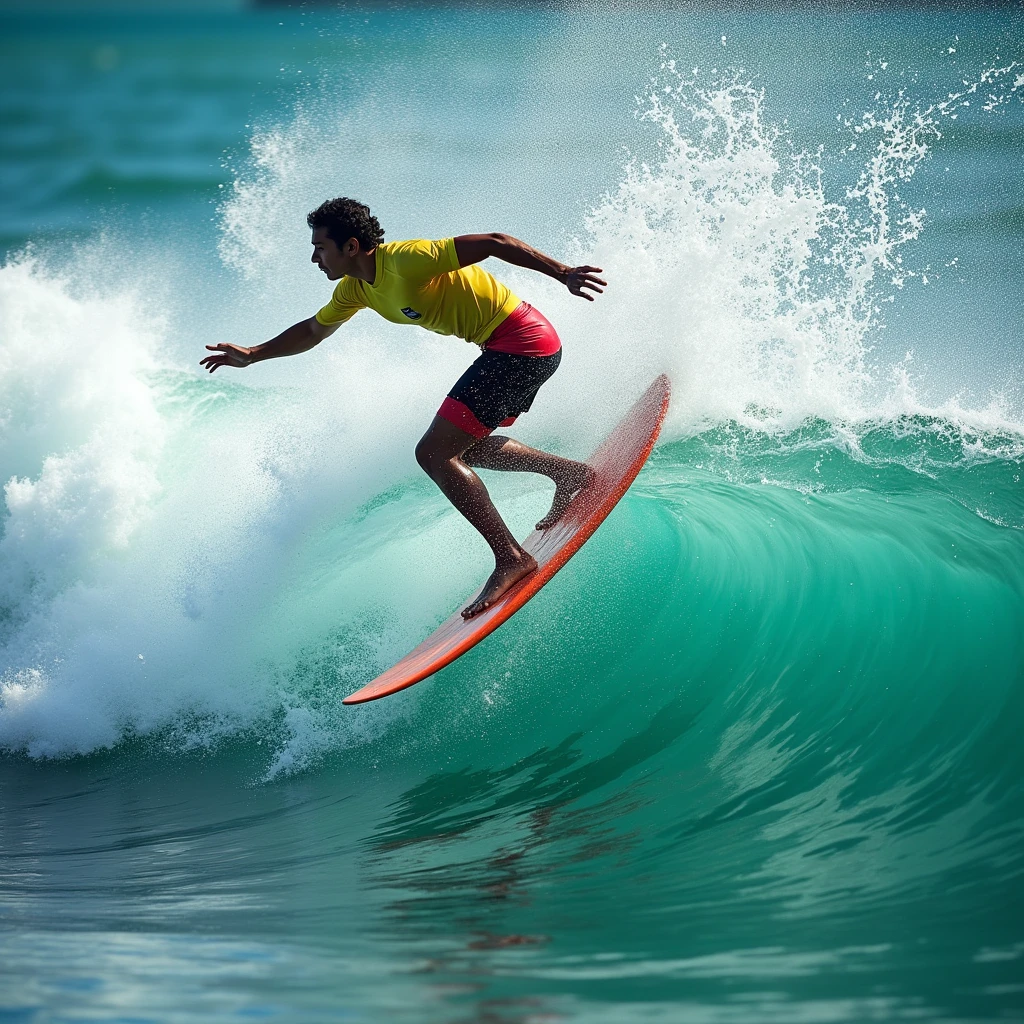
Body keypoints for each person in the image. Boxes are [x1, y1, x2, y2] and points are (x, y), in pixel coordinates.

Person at [200, 197, 606, 618]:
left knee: (433, 454)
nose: (314, 257)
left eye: (320, 247)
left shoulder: (407, 259)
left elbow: (494, 242)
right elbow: (313, 331)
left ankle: (511, 557)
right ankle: (567, 473)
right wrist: (253, 353)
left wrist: (563, 273)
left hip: (521, 343)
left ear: (352, 246)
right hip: (510, 349)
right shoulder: (355, 289)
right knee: (463, 450)